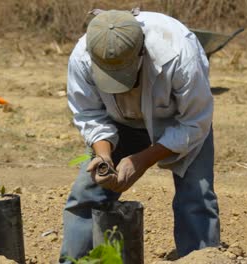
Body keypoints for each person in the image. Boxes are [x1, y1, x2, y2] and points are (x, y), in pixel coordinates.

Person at [60, 9, 220, 262]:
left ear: (141, 53)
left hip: (179, 121)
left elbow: (195, 122)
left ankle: (200, 257)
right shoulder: (82, 57)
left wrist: (142, 160)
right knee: (87, 195)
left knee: (196, 197)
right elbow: (89, 114)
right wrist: (104, 156)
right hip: (119, 121)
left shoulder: (179, 53)